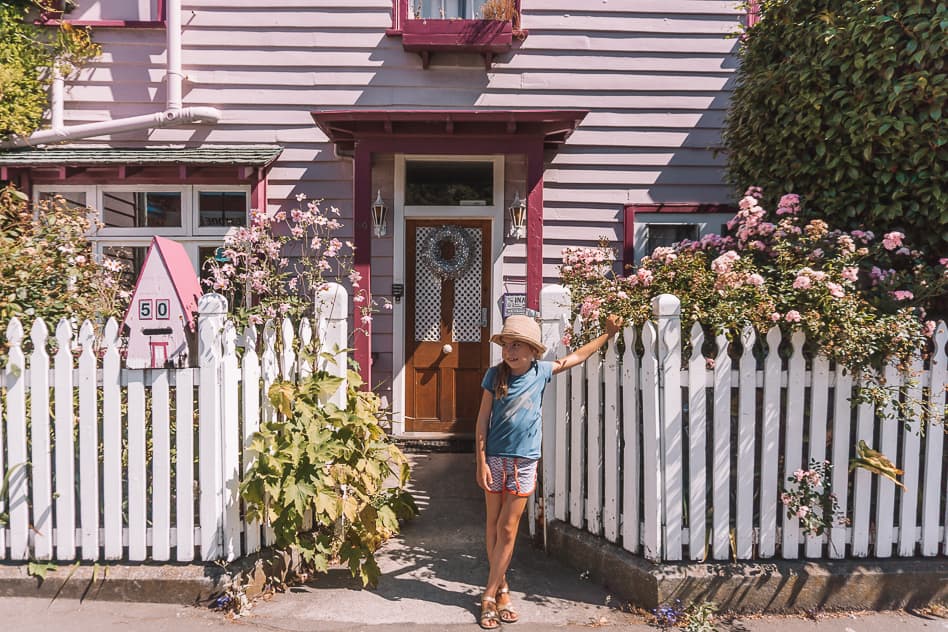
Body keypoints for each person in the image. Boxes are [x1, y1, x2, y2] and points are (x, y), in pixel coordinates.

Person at [475, 313, 622, 629]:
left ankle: (487, 594)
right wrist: (481, 461)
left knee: (508, 529)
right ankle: (501, 590)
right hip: (495, 460)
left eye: (517, 346)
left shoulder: (542, 372)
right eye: (506, 345)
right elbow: (482, 421)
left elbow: (578, 356)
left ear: (532, 350)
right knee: (493, 524)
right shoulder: (494, 376)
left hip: (525, 461)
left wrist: (608, 335)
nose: (510, 352)